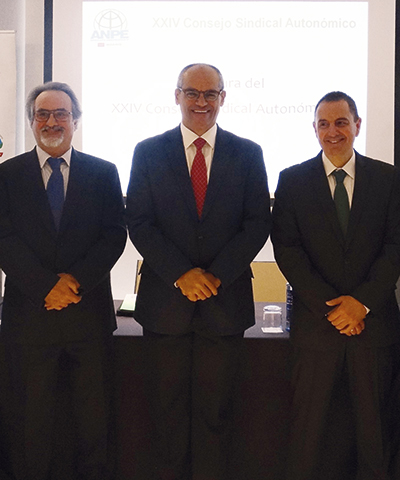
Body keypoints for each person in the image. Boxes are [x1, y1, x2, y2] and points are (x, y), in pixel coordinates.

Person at [126, 63, 271, 480]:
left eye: (211, 94)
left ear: (223, 98)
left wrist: (215, 276)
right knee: (166, 416)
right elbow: (139, 220)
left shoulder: (249, 153)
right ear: (177, 96)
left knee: (217, 414)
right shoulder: (147, 151)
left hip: (223, 307)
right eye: (192, 93)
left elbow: (257, 222)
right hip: (165, 308)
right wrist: (181, 274)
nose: (201, 102)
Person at [0, 82, 127, 480]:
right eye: (42, 114)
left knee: (93, 427)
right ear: (31, 120)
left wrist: (73, 283)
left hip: (86, 318)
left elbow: (114, 234)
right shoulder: (7, 174)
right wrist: (45, 287)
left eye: (60, 114)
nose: (51, 122)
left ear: (76, 120)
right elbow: (3, 237)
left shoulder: (103, 173)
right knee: (31, 427)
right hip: (29, 321)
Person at [272, 91, 400, 480]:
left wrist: (360, 304)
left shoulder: (388, 178)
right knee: (308, 441)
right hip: (317, 329)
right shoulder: (292, 181)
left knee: (375, 442)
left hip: (373, 328)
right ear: (314, 129)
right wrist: (333, 308)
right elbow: (288, 252)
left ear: (357, 126)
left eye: (341, 122)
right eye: (324, 124)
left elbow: (395, 246)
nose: (333, 131)